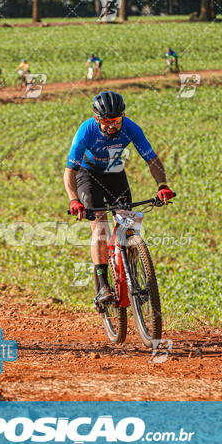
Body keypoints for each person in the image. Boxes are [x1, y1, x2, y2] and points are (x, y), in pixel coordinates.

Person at [64, 91, 175, 308]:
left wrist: (162, 186)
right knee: (100, 227)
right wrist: (74, 200)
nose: (112, 126)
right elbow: (70, 171)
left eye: (116, 120)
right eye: (106, 121)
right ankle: (103, 286)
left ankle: (131, 273)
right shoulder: (86, 130)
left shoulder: (131, 128)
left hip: (114, 171)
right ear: (97, 119)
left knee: (129, 222)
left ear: (122, 116)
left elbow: (151, 159)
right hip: (88, 175)